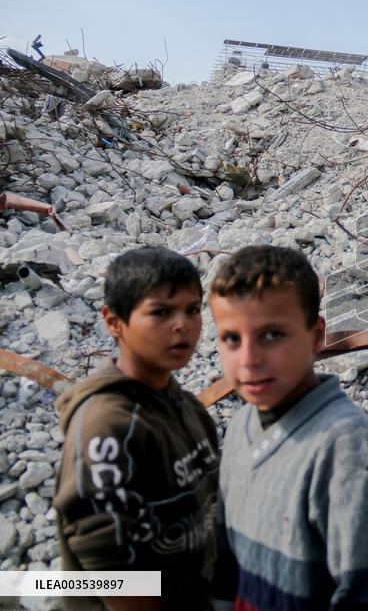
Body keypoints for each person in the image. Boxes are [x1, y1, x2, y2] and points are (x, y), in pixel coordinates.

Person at [209, 246, 368, 610]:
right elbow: (227, 569)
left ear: (317, 335)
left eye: (272, 335)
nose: (249, 359)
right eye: (231, 339)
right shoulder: (242, 426)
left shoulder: (351, 456)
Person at [54, 247, 220, 611]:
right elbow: (108, 563)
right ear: (114, 321)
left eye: (192, 310)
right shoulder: (107, 425)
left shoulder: (186, 407)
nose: (182, 325)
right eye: (160, 312)